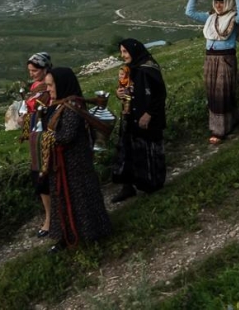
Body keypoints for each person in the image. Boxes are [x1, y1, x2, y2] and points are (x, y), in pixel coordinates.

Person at [40, 67, 112, 252]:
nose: (48, 89)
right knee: (64, 199)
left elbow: (66, 135)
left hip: (75, 164)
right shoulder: (60, 104)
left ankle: (91, 234)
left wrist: (48, 137)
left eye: (50, 85)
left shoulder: (72, 106)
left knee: (81, 199)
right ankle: (68, 235)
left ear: (62, 84)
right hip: (62, 164)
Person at [185, 0, 239, 144]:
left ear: (227, 2)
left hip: (225, 58)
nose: (219, 5)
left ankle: (219, 130)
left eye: (221, 1)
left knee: (222, 91)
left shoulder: (233, 17)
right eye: (216, 2)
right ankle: (233, 118)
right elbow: (190, 12)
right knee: (213, 92)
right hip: (210, 59)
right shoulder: (210, 17)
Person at [111, 38, 167, 202]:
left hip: (147, 118)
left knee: (148, 149)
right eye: (121, 52)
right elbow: (125, 88)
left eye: (125, 52)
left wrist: (149, 114)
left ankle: (151, 184)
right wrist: (119, 93)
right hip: (130, 116)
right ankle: (128, 186)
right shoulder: (130, 69)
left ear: (134, 51)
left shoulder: (149, 68)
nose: (123, 55)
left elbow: (160, 94)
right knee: (127, 149)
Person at [18, 52, 53, 238]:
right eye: (29, 71)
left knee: (44, 172)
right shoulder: (34, 86)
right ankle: (50, 214)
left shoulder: (49, 86)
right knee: (39, 172)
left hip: (46, 135)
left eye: (34, 70)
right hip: (35, 135)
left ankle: (51, 216)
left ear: (44, 68)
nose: (31, 74)